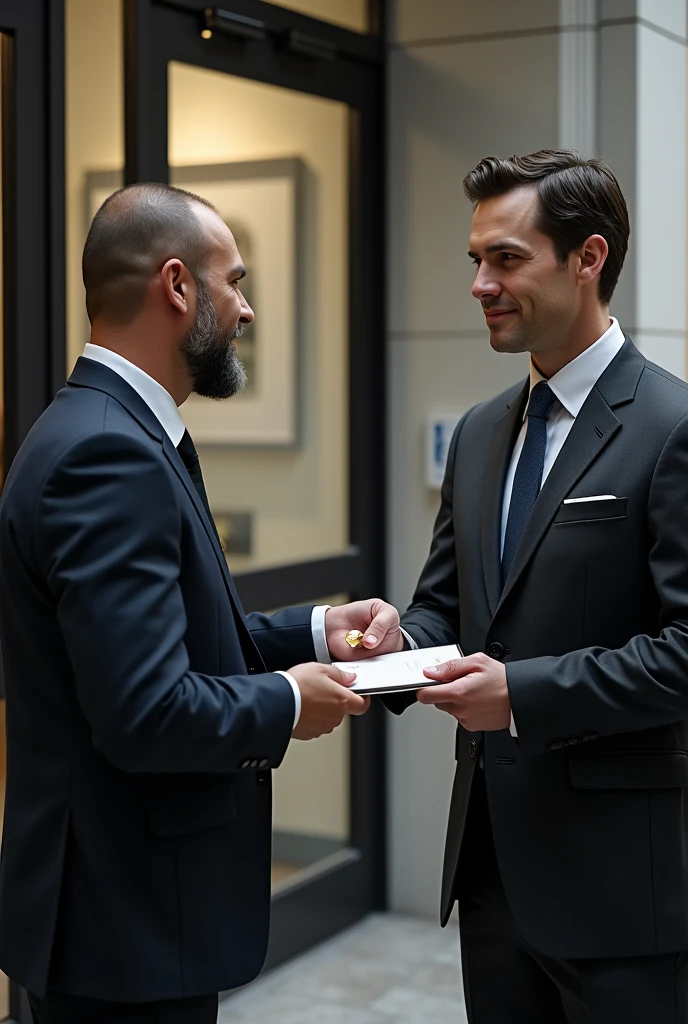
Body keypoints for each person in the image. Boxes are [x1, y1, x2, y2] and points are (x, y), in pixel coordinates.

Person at [0, 182, 400, 1024]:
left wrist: (315, 633)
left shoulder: (113, 431)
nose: (247, 309)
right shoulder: (108, 455)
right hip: (124, 927)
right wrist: (290, 700)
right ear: (178, 287)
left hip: (122, 919)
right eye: (235, 282)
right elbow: (144, 709)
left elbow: (167, 645)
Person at [390, 150, 688, 1022]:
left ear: (588, 258)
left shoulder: (672, 428)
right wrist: (392, 644)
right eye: (476, 260)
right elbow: (446, 606)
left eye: (507, 259)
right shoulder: (482, 434)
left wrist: (519, 693)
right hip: (491, 877)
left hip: (623, 897)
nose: (481, 282)